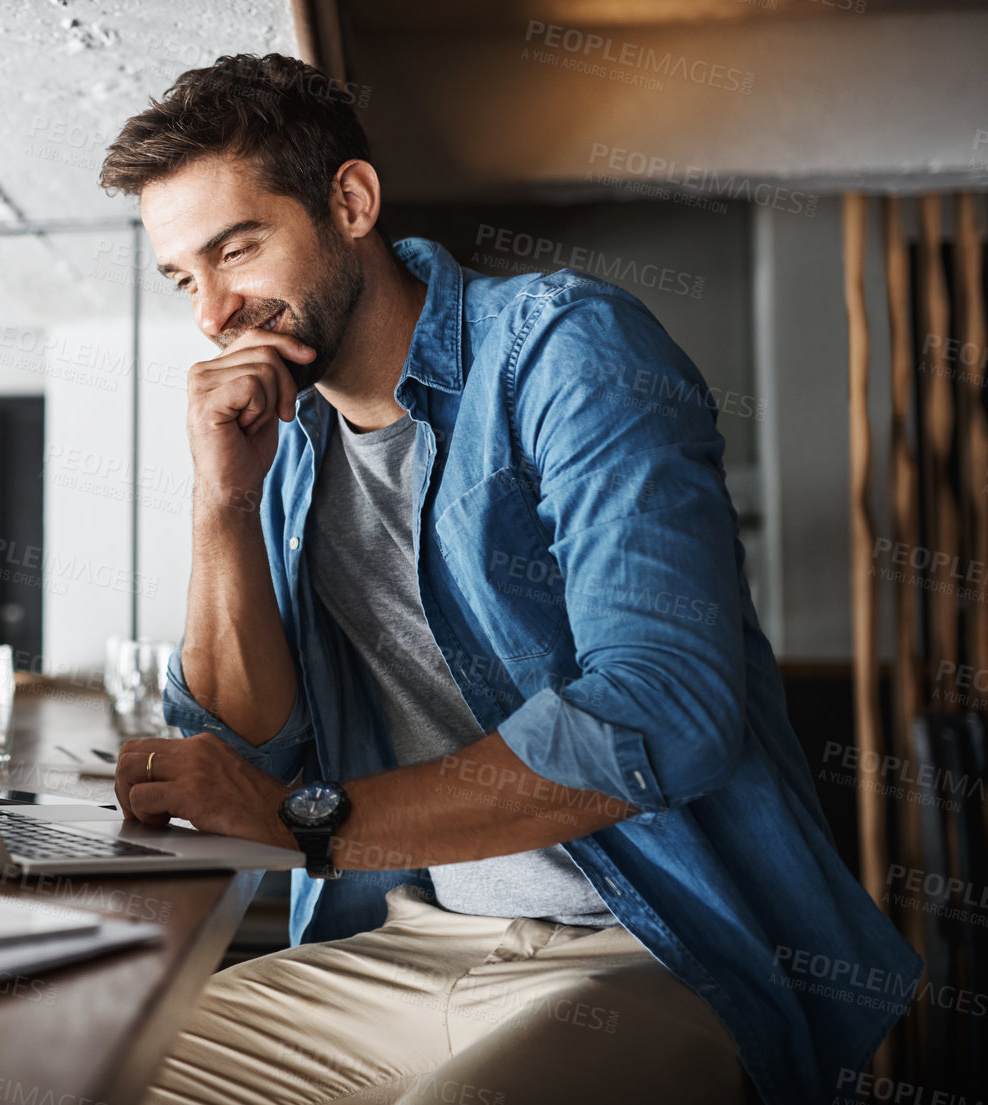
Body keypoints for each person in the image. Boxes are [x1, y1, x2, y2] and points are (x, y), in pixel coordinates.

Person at [97, 52, 918, 1105]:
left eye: (236, 249)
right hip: (405, 941)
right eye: (183, 278)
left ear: (348, 202)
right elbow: (241, 750)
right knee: (87, 1070)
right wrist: (221, 504)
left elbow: (663, 708)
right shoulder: (286, 444)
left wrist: (314, 821)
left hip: (647, 950)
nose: (213, 312)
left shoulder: (562, 348)